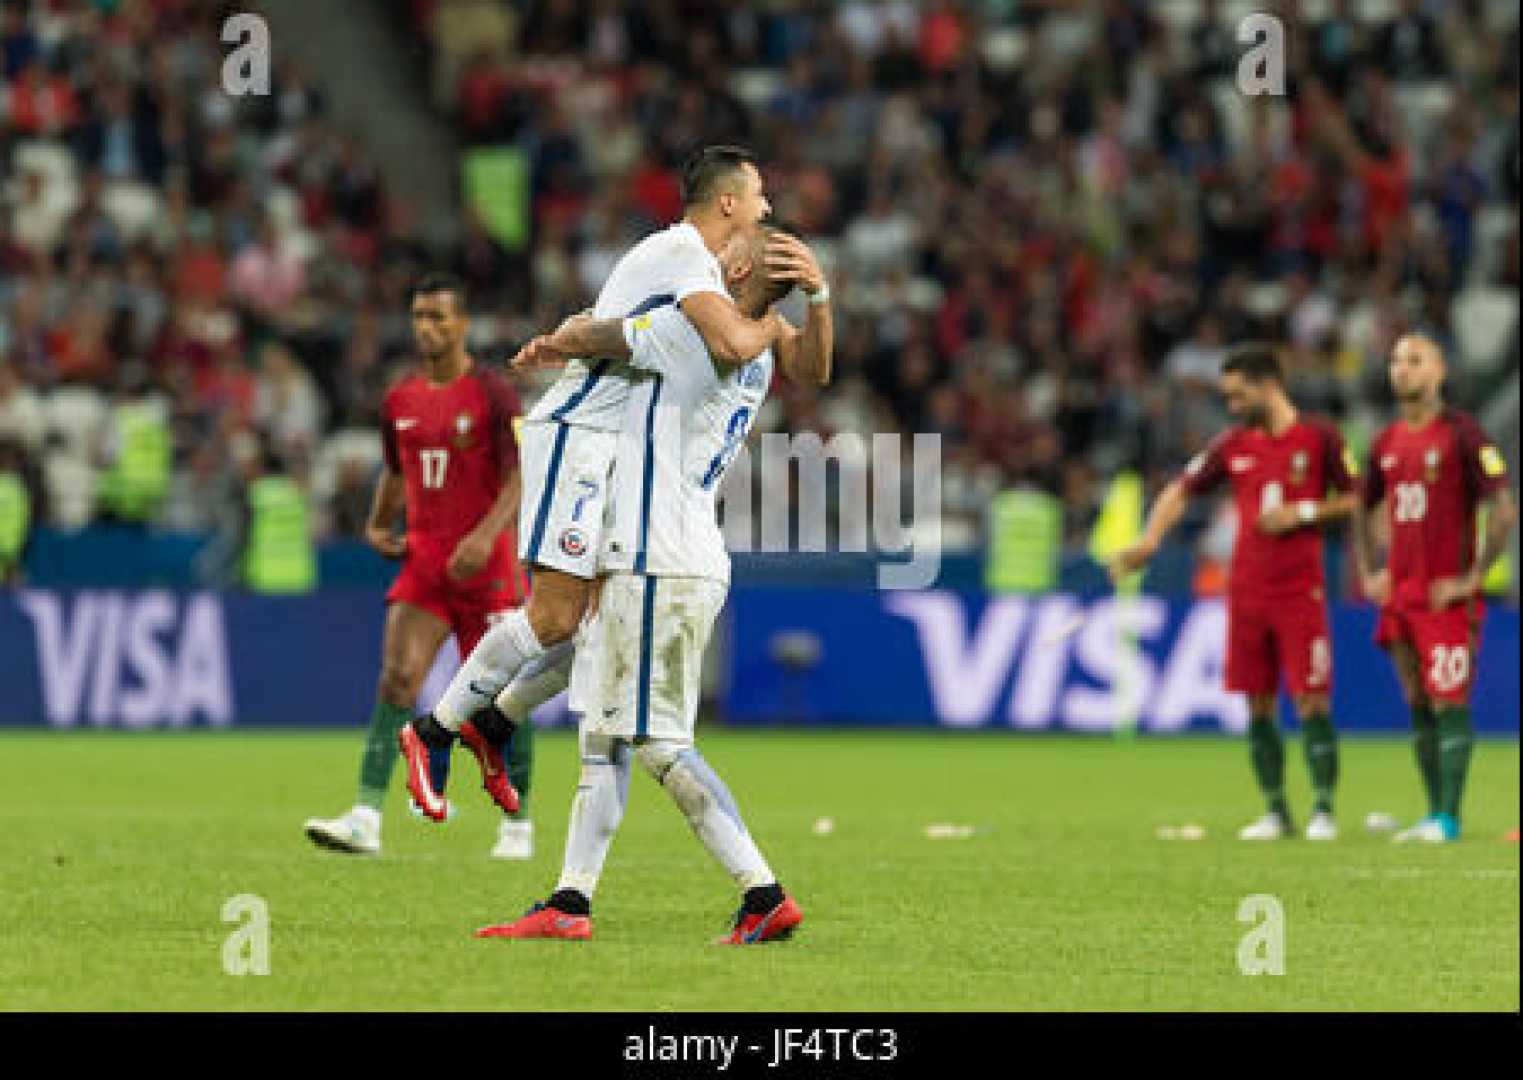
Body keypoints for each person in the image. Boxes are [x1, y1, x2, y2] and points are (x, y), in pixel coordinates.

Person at [397, 145, 788, 809]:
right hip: (579, 439)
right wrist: (777, 321)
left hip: (611, 451)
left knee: (602, 620)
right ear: (727, 203)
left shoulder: (687, 267)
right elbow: (728, 342)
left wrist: (570, 335)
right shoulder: (683, 253)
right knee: (553, 615)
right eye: (757, 197)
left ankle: (492, 724)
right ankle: (434, 730)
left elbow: (616, 329)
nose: (766, 208)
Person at [475, 223, 832, 943]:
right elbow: (811, 364)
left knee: (657, 739)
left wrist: (558, 336)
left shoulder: (689, 333)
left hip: (657, 558)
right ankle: (569, 903)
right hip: (675, 552)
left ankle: (761, 891)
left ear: (733, 267)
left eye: (729, 248)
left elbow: (592, 336)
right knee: (604, 735)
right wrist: (818, 297)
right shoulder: (760, 344)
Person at [303, 273, 533, 858]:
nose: (427, 328)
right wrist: (379, 523)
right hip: (426, 563)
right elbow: (398, 470)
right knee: (398, 679)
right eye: (419, 317)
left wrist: (486, 537)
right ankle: (365, 817)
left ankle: (516, 824)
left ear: (463, 323)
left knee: (500, 695)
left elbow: (520, 474)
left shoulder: (492, 394)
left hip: (488, 568)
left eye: (438, 317)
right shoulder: (400, 400)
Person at [1110, 344, 1357, 840]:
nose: (1232, 406)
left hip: (1299, 592)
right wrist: (1149, 540)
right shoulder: (1232, 445)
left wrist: (1303, 513)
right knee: (1257, 702)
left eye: (1238, 395)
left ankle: (1324, 810)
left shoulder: (1319, 438)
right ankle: (1275, 811)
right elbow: (1181, 490)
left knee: (1311, 700)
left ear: (1269, 385)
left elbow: (1358, 496)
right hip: (1246, 593)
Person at [1353, 333, 1516, 843]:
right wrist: (1368, 570)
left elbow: (1504, 510)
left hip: (1446, 596)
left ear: (1439, 370)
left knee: (1449, 701)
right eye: (1396, 360)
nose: (1402, 369)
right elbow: (1361, 504)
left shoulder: (1464, 435)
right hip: (1399, 595)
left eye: (1415, 360)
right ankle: (1431, 815)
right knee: (1417, 702)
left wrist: (1473, 577)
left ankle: (1448, 817)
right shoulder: (1385, 441)